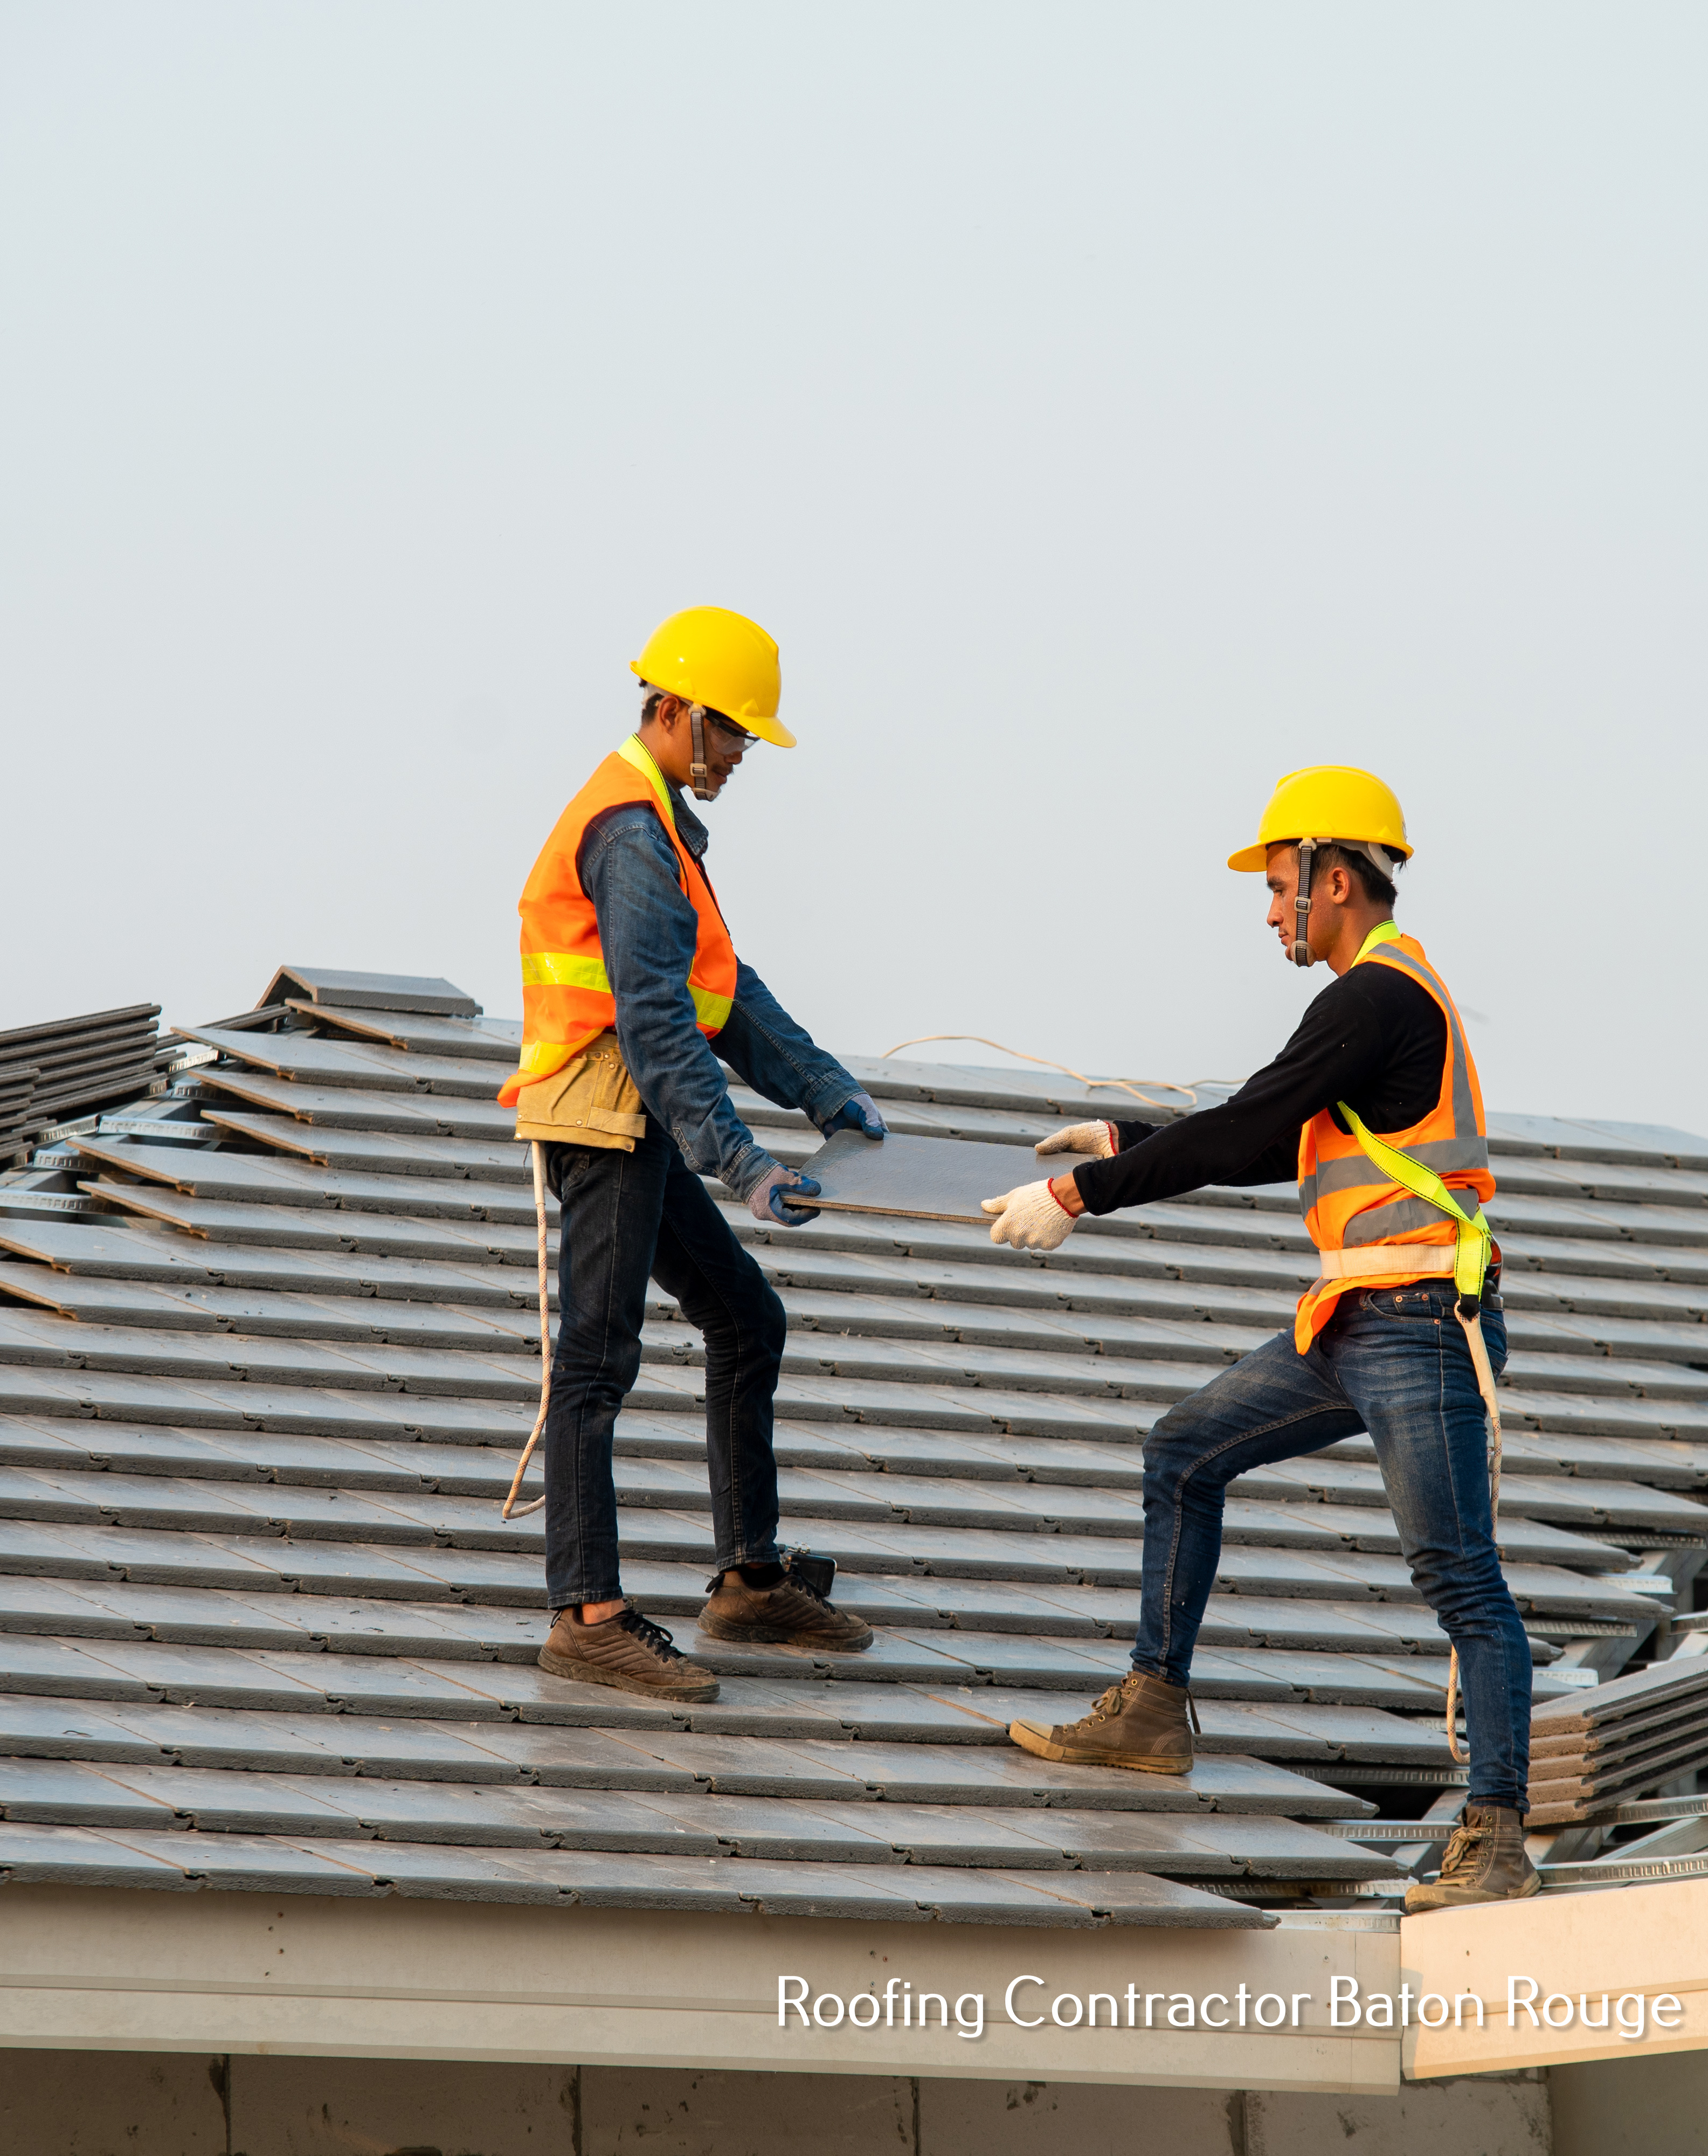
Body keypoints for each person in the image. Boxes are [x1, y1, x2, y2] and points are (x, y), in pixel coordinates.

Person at [979, 767, 1538, 1912]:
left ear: (1337, 880)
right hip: (1354, 1318)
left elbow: (1254, 1121)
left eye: (1282, 886)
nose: (1270, 909)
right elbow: (1271, 1133)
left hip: (1422, 1324)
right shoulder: (1376, 1001)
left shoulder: (1375, 998)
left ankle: (1496, 1835)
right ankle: (1149, 1708)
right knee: (1182, 1449)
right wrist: (1133, 1134)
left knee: (1460, 1578)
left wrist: (1088, 1190)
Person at [496, 605, 884, 1703]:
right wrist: (747, 1160)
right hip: (607, 1112)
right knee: (597, 1362)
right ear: (677, 711)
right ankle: (587, 1613)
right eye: (735, 734)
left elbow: (726, 988)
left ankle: (749, 1582)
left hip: (642, 1114)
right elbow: (658, 1025)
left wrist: (825, 1089)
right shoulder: (628, 831)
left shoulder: (660, 825)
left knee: (746, 1318)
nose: (742, 757)